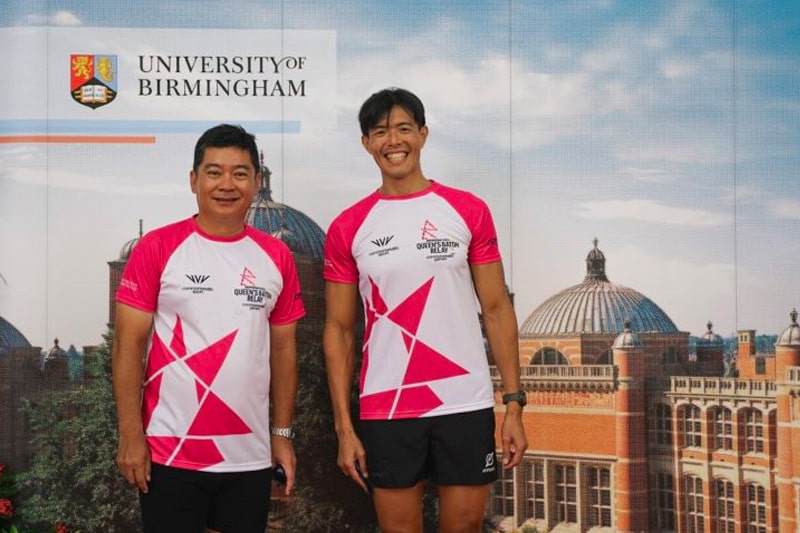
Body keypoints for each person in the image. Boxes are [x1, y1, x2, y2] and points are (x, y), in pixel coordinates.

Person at [323, 88, 528, 533]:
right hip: (388, 407)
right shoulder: (347, 226)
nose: (393, 141)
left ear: (422, 134)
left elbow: (495, 308)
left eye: (403, 129)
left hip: (464, 401)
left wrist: (513, 404)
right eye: (380, 132)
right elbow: (339, 330)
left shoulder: (468, 210)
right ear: (366, 143)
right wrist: (344, 425)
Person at [112, 124, 305, 533]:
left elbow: (284, 351)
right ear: (194, 180)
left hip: (248, 455)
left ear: (256, 181)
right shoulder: (158, 247)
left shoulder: (277, 255)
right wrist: (130, 434)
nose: (226, 184)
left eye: (239, 173)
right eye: (214, 172)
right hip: (169, 451)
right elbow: (128, 346)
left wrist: (282, 434)